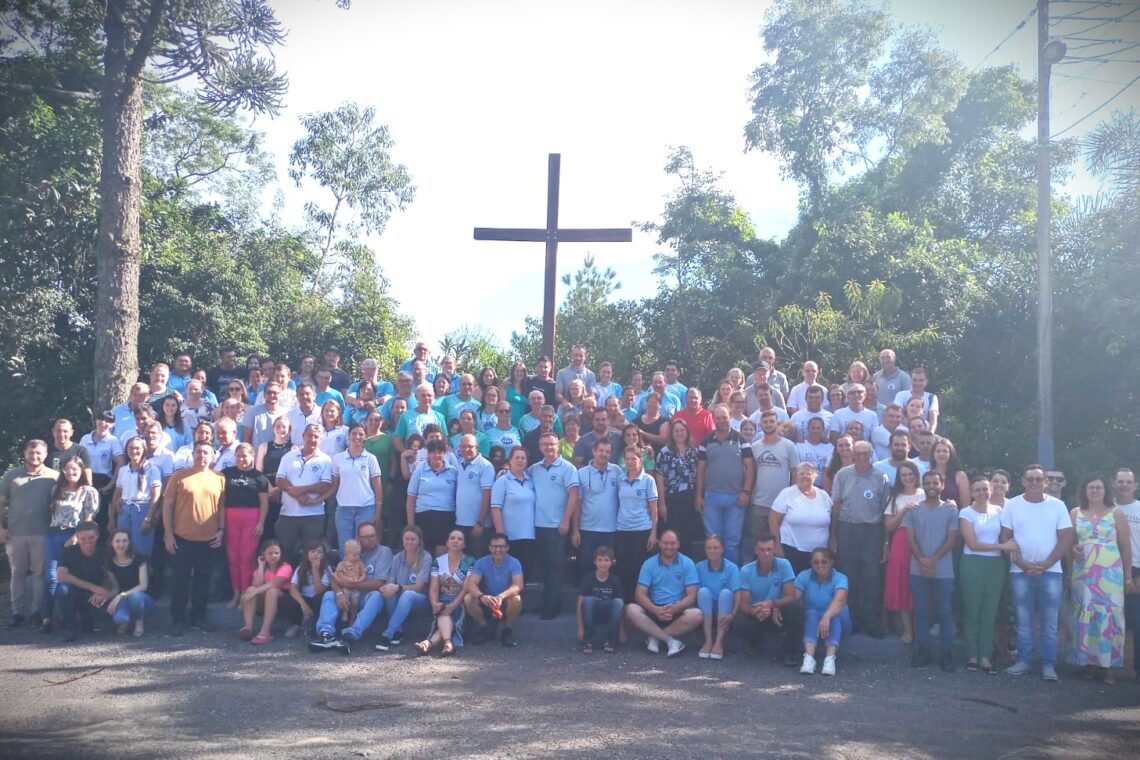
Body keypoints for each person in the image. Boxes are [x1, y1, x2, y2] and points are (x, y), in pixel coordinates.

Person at [999, 464, 1076, 681]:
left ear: (1045, 483)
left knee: (1050, 622)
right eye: (1029, 479)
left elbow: (1067, 537)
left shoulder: (1058, 506)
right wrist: (1022, 563)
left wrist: (1048, 563)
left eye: (1038, 479)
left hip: (1051, 572)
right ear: (1023, 481)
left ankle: (1048, 664)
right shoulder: (1013, 505)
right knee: (1024, 620)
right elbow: (1005, 538)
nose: (1033, 482)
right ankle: (1025, 661)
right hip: (1019, 571)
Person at [1068, 476, 1130, 683]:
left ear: (1105, 490)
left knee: (1109, 618)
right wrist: (1072, 550)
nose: (1094, 490)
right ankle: (1089, 663)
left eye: (1098, 487)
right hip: (1083, 574)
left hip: (1110, 575)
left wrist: (1128, 576)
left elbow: (1125, 547)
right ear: (1084, 491)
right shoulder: (1075, 513)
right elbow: (1068, 543)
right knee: (1085, 615)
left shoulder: (1117, 514)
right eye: (1090, 487)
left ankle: (1108, 667)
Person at [162, 441, 225, 635]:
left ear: (213, 456)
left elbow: (221, 506)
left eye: (206, 452)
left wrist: (221, 529)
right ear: (193, 454)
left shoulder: (220, 478)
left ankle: (199, 616)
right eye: (198, 452)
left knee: (203, 581)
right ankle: (177, 619)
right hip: (182, 537)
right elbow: (167, 505)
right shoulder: (179, 476)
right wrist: (168, 534)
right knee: (179, 581)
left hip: (209, 539)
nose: (202, 456)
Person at [829, 440, 890, 637]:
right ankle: (851, 620)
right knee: (849, 576)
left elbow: (884, 511)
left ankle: (871, 622)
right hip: (847, 529)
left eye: (866, 453)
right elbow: (836, 506)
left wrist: (884, 542)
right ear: (853, 454)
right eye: (859, 453)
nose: (862, 457)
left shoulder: (881, 477)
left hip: (872, 531)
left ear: (872, 454)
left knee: (871, 578)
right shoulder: (843, 474)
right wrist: (833, 535)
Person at [959, 475, 1018, 673]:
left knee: (989, 610)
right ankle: (972, 655)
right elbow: (973, 544)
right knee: (972, 609)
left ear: (990, 490)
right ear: (972, 492)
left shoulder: (999, 511)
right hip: (972, 563)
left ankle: (985, 655)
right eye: (978, 490)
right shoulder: (966, 513)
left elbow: (1007, 534)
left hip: (995, 565)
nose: (983, 493)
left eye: (985, 489)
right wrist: (1003, 546)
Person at [904, 471, 959, 672]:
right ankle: (923, 651)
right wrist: (923, 561)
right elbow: (910, 539)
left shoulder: (951, 510)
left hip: (944, 571)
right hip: (917, 569)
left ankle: (947, 654)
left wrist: (932, 561)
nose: (931, 486)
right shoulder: (913, 510)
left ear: (942, 485)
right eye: (928, 483)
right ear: (923, 485)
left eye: (935, 482)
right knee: (921, 612)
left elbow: (951, 540)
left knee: (945, 612)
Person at [309, 522, 394, 653]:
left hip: (367, 595)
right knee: (329, 595)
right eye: (366, 537)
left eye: (372, 536)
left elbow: (379, 583)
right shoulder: (350, 550)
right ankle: (326, 635)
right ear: (359, 538)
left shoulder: (384, 552)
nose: (370, 539)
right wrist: (339, 593)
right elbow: (336, 576)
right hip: (346, 592)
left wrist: (352, 584)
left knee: (377, 597)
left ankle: (351, 635)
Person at [1, 440, 59, 627]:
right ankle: (17, 612)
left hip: (42, 533)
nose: (35, 456)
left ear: (45, 454)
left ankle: (36, 610)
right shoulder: (12, 475)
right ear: (25, 453)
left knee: (39, 574)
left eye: (39, 453)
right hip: (15, 534)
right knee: (17, 573)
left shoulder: (54, 476)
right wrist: (1, 529)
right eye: (31, 453)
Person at [624, 529, 702, 656]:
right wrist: (655, 610)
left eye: (672, 543)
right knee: (631, 609)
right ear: (659, 544)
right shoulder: (649, 564)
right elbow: (639, 594)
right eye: (665, 543)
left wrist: (675, 608)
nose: (669, 546)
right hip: (654, 608)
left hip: (677, 610)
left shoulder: (688, 563)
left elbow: (692, 595)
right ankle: (670, 641)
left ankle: (655, 636)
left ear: (678, 544)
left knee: (697, 615)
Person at [695, 405, 755, 566]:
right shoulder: (706, 441)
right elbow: (700, 470)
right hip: (710, 497)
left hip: (735, 498)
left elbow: (750, 466)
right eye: (718, 418)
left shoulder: (740, 440)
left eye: (724, 417)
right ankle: (714, 574)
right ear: (714, 419)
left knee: (732, 542)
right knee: (713, 541)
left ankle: (731, 579)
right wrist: (698, 496)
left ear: (730, 417)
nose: (721, 420)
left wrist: (746, 492)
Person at [529, 431, 580, 619]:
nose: (549, 448)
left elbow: (574, 495)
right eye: (545, 444)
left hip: (558, 526)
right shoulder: (534, 469)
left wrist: (566, 520)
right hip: (538, 525)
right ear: (540, 447)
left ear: (558, 445)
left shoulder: (568, 468)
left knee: (555, 567)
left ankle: (553, 607)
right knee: (543, 566)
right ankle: (545, 603)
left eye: (552, 444)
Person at [734, 534, 803, 665]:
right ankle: (755, 643)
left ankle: (790, 652)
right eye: (762, 550)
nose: (766, 553)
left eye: (769, 549)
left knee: (797, 608)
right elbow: (743, 604)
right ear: (756, 551)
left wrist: (774, 605)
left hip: (778, 611)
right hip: (758, 613)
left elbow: (791, 595)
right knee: (740, 622)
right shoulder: (746, 571)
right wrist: (755, 611)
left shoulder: (784, 565)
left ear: (775, 550)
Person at [275, 424, 334, 564]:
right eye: (309, 436)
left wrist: (301, 490)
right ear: (303, 436)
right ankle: (285, 583)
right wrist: (296, 495)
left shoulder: (326, 460)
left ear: (321, 439)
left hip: (314, 515)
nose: (312, 439)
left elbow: (326, 485)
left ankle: (307, 583)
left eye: (316, 437)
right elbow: (280, 479)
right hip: (288, 514)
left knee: (311, 554)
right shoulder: (288, 457)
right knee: (285, 552)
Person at [221, 443, 270, 607]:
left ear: (252, 456)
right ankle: (235, 592)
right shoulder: (226, 474)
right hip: (230, 517)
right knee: (233, 557)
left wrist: (261, 523)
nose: (242, 459)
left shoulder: (259, 477)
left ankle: (245, 594)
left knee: (247, 558)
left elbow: (264, 503)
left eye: (245, 456)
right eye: (239, 456)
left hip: (251, 518)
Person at [748, 410, 799, 557]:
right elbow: (751, 473)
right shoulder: (755, 447)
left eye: (772, 421)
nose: (768, 424)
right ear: (761, 424)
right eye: (765, 422)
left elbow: (795, 472)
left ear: (777, 424)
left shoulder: (788, 446)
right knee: (760, 545)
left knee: (780, 545)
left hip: (782, 504)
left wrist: (792, 497)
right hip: (759, 502)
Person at [882, 460, 923, 644]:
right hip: (901, 542)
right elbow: (889, 526)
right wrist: (904, 510)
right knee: (902, 585)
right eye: (903, 475)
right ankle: (907, 629)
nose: (908, 477)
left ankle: (920, 628)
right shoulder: (895, 497)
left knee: (920, 585)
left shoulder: (925, 494)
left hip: (923, 542)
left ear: (916, 475)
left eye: (910, 474)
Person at [374, 525, 433, 651]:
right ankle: (398, 631)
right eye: (406, 539)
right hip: (400, 597)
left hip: (420, 600)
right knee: (389, 592)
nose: (409, 542)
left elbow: (418, 587)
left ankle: (388, 634)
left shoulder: (426, 557)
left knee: (407, 594)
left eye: (413, 539)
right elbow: (391, 582)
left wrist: (398, 587)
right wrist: (390, 587)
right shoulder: (397, 558)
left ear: (419, 541)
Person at [416, 529, 474, 656]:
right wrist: (434, 604)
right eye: (452, 538)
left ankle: (428, 643)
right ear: (447, 542)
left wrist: (453, 605)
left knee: (445, 612)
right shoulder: (438, 561)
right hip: (442, 599)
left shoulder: (469, 562)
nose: (455, 541)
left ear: (464, 544)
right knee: (442, 610)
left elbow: (466, 588)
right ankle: (448, 643)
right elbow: (434, 588)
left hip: (460, 600)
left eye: (459, 539)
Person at [796, 547, 852, 676]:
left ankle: (830, 658)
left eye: (824, 561)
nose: (820, 565)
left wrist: (826, 617)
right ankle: (809, 658)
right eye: (816, 562)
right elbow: (793, 596)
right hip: (814, 619)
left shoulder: (840, 578)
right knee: (810, 613)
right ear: (811, 563)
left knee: (835, 615)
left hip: (838, 619)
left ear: (831, 562)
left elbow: (840, 600)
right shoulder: (804, 576)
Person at [329, 424, 383, 557]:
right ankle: (346, 576)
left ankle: (364, 576)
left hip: (366, 508)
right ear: (349, 436)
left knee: (364, 547)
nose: (357, 437)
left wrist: (378, 511)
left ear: (365, 437)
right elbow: (334, 485)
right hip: (344, 509)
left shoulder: (370, 458)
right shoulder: (338, 458)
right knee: (345, 548)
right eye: (354, 433)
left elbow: (377, 487)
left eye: (360, 434)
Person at [615, 445, 659, 605]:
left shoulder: (648, 480)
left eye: (633, 458)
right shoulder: (619, 479)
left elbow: (654, 510)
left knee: (640, 569)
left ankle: (641, 604)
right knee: (623, 569)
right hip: (622, 529)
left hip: (642, 529)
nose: (630, 462)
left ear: (640, 459)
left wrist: (654, 533)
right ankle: (626, 604)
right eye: (627, 459)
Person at [53, 521, 113, 641]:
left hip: (96, 596)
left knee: (106, 616)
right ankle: (70, 626)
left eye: (91, 537)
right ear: (78, 537)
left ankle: (88, 618)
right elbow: (61, 576)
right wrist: (92, 587)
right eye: (83, 538)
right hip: (74, 593)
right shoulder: (69, 552)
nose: (87, 541)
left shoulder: (105, 553)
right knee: (62, 590)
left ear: (97, 536)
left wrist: (102, 592)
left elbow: (111, 579)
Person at [769, 462, 832, 574]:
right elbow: (773, 520)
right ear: (796, 476)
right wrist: (777, 548)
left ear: (815, 476)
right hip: (792, 551)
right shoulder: (787, 493)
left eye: (808, 473)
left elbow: (831, 520)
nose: (804, 476)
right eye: (801, 473)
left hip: (819, 555)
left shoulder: (824, 495)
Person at [573, 439, 623, 579]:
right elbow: (578, 503)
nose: (604, 454)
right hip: (587, 528)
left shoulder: (617, 471)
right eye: (601, 450)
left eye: (607, 451)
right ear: (594, 451)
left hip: (611, 529)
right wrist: (575, 530)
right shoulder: (581, 473)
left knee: (609, 569)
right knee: (586, 566)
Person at [463, 533, 524, 647]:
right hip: (487, 600)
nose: (498, 549)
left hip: (505, 600)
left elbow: (518, 585)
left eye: (501, 546)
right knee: (468, 599)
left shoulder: (514, 562)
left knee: (517, 599)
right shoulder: (481, 562)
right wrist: (481, 596)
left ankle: (507, 630)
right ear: (490, 547)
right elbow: (471, 583)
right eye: (495, 546)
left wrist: (501, 596)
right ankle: (485, 627)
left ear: (507, 548)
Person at [654, 419, 700, 553]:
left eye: (682, 430)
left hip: (690, 499)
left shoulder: (694, 451)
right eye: (676, 431)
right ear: (671, 433)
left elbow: (698, 476)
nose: (679, 433)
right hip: (672, 499)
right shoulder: (665, 452)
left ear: (687, 432)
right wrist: (661, 503)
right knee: (672, 533)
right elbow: (660, 478)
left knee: (687, 535)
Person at [406, 438, 459, 555]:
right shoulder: (419, 471)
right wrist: (411, 524)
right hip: (423, 516)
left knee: (442, 555)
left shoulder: (454, 471)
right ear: (428, 454)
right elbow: (411, 499)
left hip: (446, 516)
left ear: (444, 454)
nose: (436, 455)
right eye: (433, 452)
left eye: (440, 452)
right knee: (424, 554)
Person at [238, 538, 293, 645]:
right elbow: (256, 585)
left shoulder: (286, 567)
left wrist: (254, 592)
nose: (273, 556)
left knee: (271, 590)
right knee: (251, 589)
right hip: (264, 600)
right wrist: (261, 566)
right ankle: (248, 628)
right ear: (263, 554)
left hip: (283, 601)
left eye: (276, 553)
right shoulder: (262, 568)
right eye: (270, 553)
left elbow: (274, 583)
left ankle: (265, 631)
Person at [695, 535, 739, 660]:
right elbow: (694, 590)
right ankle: (708, 640)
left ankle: (719, 642)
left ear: (722, 549)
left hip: (725, 607)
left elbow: (737, 593)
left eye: (716, 547)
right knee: (703, 591)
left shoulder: (732, 568)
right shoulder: (699, 567)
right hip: (706, 607)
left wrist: (733, 614)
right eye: (709, 548)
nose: (712, 551)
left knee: (726, 593)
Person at [105, 528, 153, 636]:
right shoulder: (109, 561)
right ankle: (126, 621)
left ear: (129, 542)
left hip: (142, 599)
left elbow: (143, 586)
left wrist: (121, 595)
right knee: (119, 619)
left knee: (135, 597)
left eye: (124, 541)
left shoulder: (140, 559)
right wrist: (107, 597)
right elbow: (115, 587)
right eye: (117, 541)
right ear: (111, 543)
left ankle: (139, 622)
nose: (121, 544)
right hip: (123, 599)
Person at [577, 545, 623, 654]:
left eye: (606, 560)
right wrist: (580, 628)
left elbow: (621, 606)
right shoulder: (588, 578)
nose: (603, 563)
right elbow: (579, 604)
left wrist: (622, 631)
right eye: (600, 560)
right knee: (587, 600)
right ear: (595, 562)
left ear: (612, 562)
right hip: (592, 611)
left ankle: (610, 639)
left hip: (608, 611)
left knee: (618, 602)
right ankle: (588, 640)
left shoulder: (615, 580)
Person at [283, 539, 329, 638]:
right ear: (307, 554)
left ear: (323, 555)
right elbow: (293, 588)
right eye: (312, 552)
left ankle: (314, 624)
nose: (315, 554)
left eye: (319, 552)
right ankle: (295, 624)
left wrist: (316, 571)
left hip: (317, 598)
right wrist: (303, 604)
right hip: (305, 598)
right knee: (289, 599)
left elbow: (320, 590)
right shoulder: (301, 568)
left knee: (321, 599)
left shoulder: (326, 569)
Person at [333, 539, 367, 624]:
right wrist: (345, 579)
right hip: (345, 587)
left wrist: (359, 580)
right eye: (354, 555)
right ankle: (345, 612)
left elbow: (364, 574)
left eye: (358, 555)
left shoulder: (360, 564)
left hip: (356, 588)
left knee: (355, 604)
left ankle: (352, 618)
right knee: (345, 596)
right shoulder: (342, 564)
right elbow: (338, 574)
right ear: (346, 554)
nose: (357, 557)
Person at [795, 417, 833, 488]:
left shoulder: (830, 447)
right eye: (813, 428)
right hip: (803, 485)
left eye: (818, 428)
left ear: (823, 430)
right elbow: (796, 470)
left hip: (823, 486)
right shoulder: (799, 446)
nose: (815, 431)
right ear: (807, 429)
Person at [931, 437, 970, 506]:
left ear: (951, 453)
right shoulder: (928, 475)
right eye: (938, 451)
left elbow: (965, 503)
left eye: (945, 451)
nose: (941, 454)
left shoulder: (960, 476)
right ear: (933, 454)